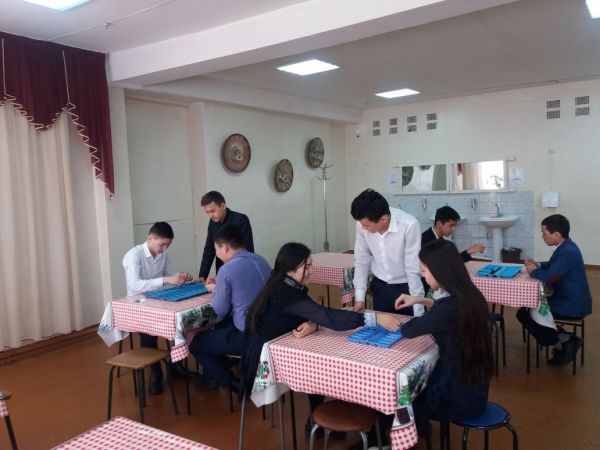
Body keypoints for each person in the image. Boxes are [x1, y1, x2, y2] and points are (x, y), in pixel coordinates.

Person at [239, 242, 401, 442]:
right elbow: (328, 317)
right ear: (291, 268)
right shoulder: (286, 293)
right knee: (321, 367)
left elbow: (311, 315)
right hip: (265, 358)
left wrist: (313, 324)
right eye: (306, 267)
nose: (311, 271)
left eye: (311, 265)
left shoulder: (282, 282)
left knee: (315, 367)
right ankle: (322, 421)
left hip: (277, 345)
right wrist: (374, 318)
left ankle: (316, 421)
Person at [394, 239, 494, 439]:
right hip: (474, 387)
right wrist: (419, 299)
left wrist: (387, 320)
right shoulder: (470, 294)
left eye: (425, 270)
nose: (423, 275)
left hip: (456, 396)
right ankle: (419, 428)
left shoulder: (448, 309)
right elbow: (443, 308)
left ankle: (399, 438)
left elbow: (409, 330)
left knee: (399, 398)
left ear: (439, 271)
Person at [189, 224, 271, 391]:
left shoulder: (227, 269)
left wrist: (190, 323)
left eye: (216, 250)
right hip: (269, 328)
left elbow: (219, 311)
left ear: (224, 247)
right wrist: (219, 286)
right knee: (217, 329)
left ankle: (235, 384)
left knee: (195, 342)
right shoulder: (261, 260)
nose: (217, 254)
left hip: (247, 336)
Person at [122, 221, 193, 395]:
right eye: (162, 244)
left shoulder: (163, 253)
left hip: (158, 297)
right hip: (138, 302)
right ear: (150, 238)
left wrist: (181, 276)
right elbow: (134, 285)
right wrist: (166, 280)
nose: (164, 248)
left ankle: (176, 366)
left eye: (168, 245)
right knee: (149, 332)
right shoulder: (134, 255)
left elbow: (169, 274)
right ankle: (155, 371)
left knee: (180, 319)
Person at [517, 214, 592, 366]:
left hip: (572, 304)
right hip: (570, 299)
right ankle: (562, 337)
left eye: (544, 233)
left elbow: (550, 277)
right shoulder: (567, 246)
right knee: (529, 308)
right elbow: (552, 265)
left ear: (556, 235)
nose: (542, 236)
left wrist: (533, 271)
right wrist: (538, 264)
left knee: (526, 312)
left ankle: (562, 342)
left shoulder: (567, 252)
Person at [350, 189, 424, 315]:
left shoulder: (409, 225)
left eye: (366, 225)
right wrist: (360, 298)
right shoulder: (362, 224)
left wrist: (418, 309)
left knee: (411, 324)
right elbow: (361, 260)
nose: (363, 228)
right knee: (381, 325)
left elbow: (412, 268)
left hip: (406, 288)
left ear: (383, 219)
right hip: (380, 287)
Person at [421, 206, 485, 294]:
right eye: (451, 226)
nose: (453, 229)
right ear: (439, 223)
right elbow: (445, 265)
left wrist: (468, 252)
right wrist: (468, 251)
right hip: (426, 288)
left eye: (455, 226)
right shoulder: (427, 240)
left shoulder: (439, 239)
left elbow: (449, 261)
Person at [198, 191, 254, 280]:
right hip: (222, 271)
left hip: (241, 271)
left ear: (223, 206)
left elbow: (248, 249)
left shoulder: (241, 219)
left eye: (212, 211)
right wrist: (202, 276)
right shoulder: (212, 222)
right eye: (207, 212)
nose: (210, 216)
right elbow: (209, 249)